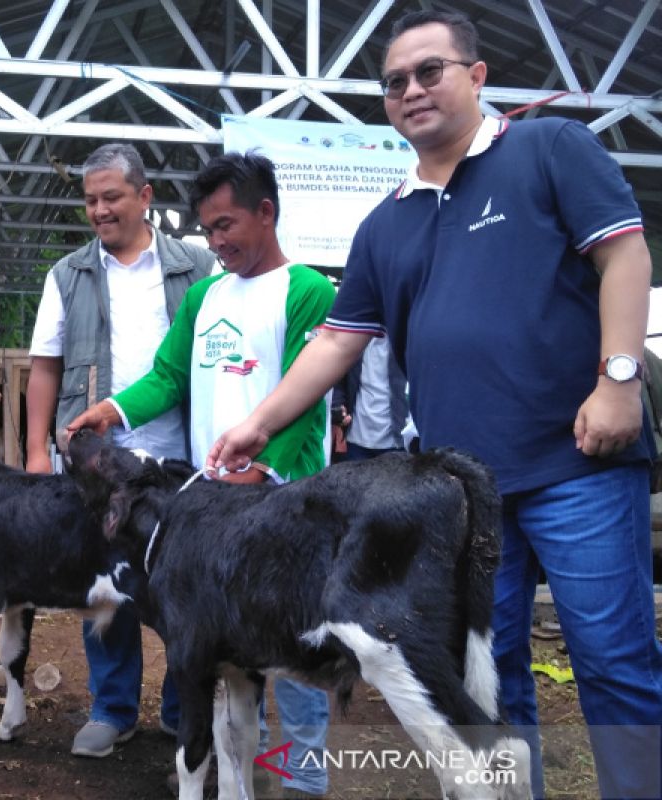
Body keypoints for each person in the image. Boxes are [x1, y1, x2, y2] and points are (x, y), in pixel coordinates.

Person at [207, 11, 662, 799]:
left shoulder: (549, 149)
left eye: (430, 71)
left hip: (577, 462)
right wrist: (258, 422)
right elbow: (338, 342)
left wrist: (618, 377)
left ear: (477, 76)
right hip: (460, 498)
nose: (411, 90)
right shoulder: (386, 223)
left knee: (614, 662)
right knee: (487, 678)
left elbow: (624, 250)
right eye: (394, 82)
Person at [68, 151, 334, 798]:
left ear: (266, 213)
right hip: (210, 502)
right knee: (227, 642)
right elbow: (168, 377)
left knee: (295, 637)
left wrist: (265, 469)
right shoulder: (207, 295)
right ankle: (241, 764)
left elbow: (307, 398)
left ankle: (301, 775)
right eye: (208, 230)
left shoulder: (310, 291)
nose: (217, 242)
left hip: (286, 499)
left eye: (227, 225)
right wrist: (112, 408)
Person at [25, 143, 215, 758]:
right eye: (90, 201)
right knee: (104, 590)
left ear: (145, 197)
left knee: (184, 588)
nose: (100, 211)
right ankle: (112, 708)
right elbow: (44, 368)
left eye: (111, 198)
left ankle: (185, 708)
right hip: (96, 464)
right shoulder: (69, 274)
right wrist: (35, 453)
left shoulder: (197, 266)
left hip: (180, 459)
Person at [332, 337, 408, 461]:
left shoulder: (405, 335)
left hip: (398, 442)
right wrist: (338, 404)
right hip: (356, 440)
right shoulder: (355, 336)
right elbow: (337, 374)